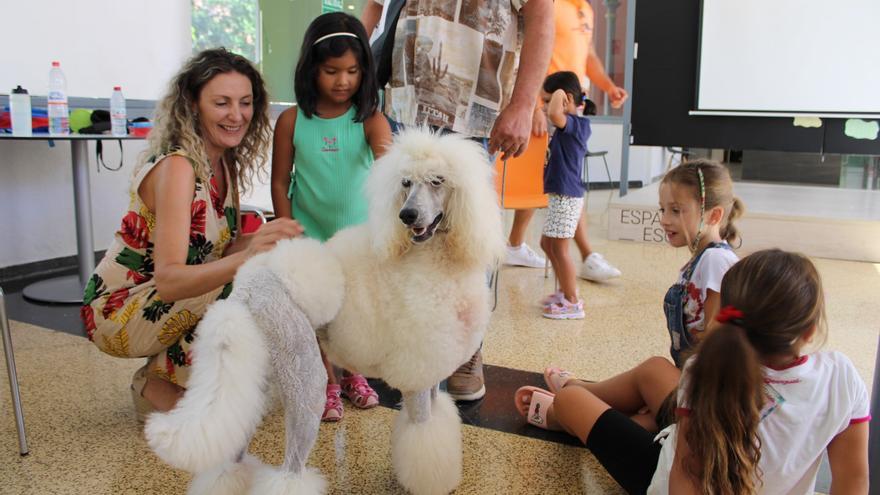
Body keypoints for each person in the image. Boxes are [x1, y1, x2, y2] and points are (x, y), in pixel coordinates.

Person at [514, 249, 870, 494]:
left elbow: (684, 476)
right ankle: (601, 397)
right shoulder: (843, 377)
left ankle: (566, 409)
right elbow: (852, 482)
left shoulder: (705, 369)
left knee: (572, 400)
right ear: (808, 331)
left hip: (661, 475)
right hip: (693, 433)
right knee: (656, 370)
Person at [80, 48, 303, 421]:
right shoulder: (180, 167)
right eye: (222, 103)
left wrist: (268, 237)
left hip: (161, 298)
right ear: (193, 105)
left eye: (246, 103)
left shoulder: (222, 161)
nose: (237, 115)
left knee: (261, 272)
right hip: (117, 309)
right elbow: (169, 281)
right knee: (249, 281)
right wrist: (250, 257)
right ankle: (156, 386)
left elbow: (214, 250)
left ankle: (180, 385)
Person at [362, 0, 554, 401]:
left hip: (475, 108)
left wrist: (523, 103)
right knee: (408, 225)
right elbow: (374, 8)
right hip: (403, 100)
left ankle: (468, 345)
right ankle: (412, 339)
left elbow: (540, 17)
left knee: (468, 230)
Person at [271, 12, 393, 422]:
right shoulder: (291, 121)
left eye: (354, 71)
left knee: (353, 311)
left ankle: (354, 375)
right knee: (316, 315)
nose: (343, 81)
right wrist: (287, 230)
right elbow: (279, 180)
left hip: (358, 242)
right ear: (312, 70)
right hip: (311, 237)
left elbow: (390, 169)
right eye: (331, 71)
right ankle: (326, 382)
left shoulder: (370, 120)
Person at [505, 0, 628, 283]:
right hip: (547, 106)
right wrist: (533, 106)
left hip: (568, 109)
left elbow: (589, 57)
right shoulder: (547, 4)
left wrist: (608, 87)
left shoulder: (585, 8)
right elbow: (528, 48)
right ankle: (585, 256)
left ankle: (520, 246)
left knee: (563, 182)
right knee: (554, 181)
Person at [537, 71, 593, 319]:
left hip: (567, 196)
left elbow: (554, 114)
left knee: (560, 249)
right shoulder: (565, 126)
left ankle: (572, 302)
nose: (546, 106)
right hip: (560, 195)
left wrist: (560, 98)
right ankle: (564, 291)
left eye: (550, 99)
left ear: (566, 99)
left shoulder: (578, 125)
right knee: (546, 244)